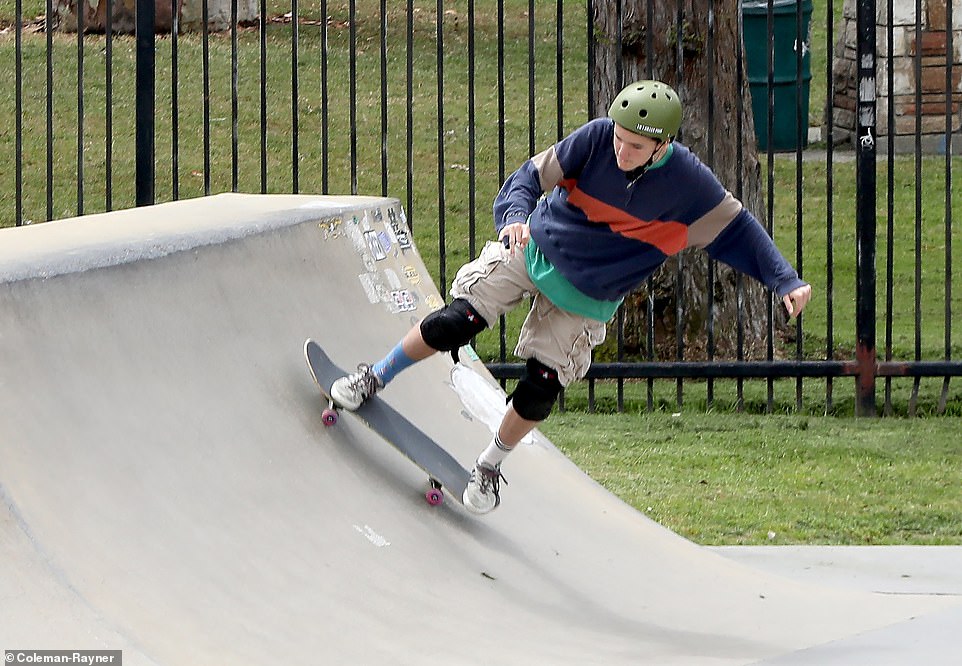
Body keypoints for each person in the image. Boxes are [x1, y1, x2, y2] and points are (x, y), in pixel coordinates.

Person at [331, 80, 812, 515]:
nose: (621, 149)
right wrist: (514, 217)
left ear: (662, 145)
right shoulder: (597, 137)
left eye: (635, 145)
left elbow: (741, 230)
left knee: (541, 387)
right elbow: (529, 177)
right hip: (536, 249)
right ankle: (374, 376)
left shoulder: (691, 186)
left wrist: (785, 280)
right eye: (619, 138)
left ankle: (488, 465)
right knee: (455, 323)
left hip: (589, 295)